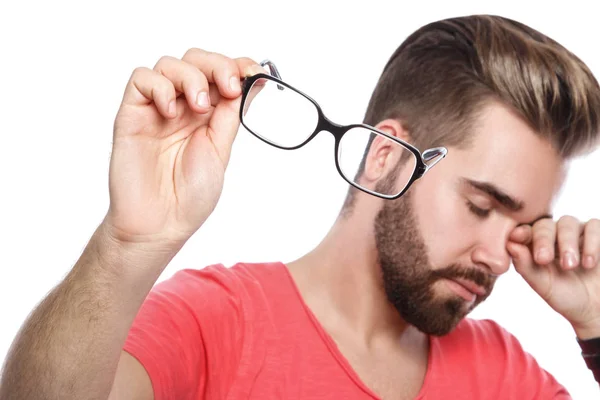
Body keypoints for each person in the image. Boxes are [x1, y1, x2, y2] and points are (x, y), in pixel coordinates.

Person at [1, 13, 600, 400]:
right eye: (480, 205)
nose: (501, 257)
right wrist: (128, 244)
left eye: (526, 225)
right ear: (385, 157)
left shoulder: (505, 376)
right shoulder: (216, 322)